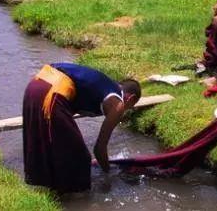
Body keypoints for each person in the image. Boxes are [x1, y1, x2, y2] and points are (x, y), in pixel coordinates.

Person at [22, 63, 141, 193]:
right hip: (52, 94)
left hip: (35, 85)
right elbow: (99, 149)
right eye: (130, 107)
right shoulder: (118, 105)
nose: (125, 111)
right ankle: (77, 199)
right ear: (130, 98)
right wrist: (109, 173)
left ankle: (51, 190)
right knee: (81, 157)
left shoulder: (101, 87)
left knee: (50, 143)